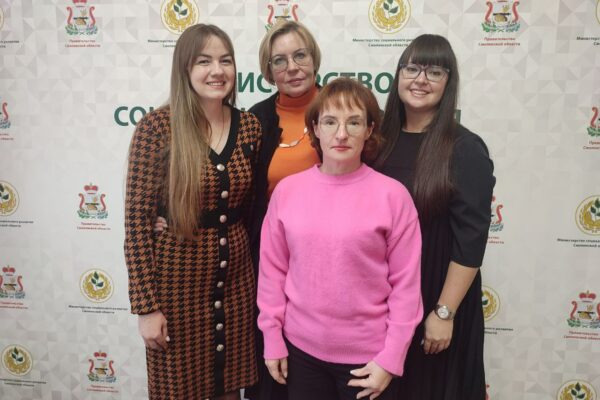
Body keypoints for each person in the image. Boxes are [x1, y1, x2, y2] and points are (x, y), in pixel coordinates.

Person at [257, 78, 423, 400]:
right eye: (330, 121)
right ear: (315, 128)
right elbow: (272, 272)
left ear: (370, 129)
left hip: (369, 361)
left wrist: (391, 358)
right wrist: (272, 337)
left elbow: (406, 286)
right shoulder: (288, 192)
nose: (342, 133)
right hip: (300, 354)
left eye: (354, 122)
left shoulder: (394, 197)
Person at [124, 24, 261, 400]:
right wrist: (146, 308)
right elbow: (136, 224)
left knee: (229, 389)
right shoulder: (157, 128)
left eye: (225, 61)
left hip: (237, 288)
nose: (217, 71)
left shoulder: (249, 127)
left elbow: (251, 207)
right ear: (184, 68)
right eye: (204, 61)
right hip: (176, 291)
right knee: (178, 390)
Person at [377, 34, 495, 400]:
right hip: (385, 299)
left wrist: (444, 313)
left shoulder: (464, 148)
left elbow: (471, 240)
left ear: (448, 82)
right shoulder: (377, 141)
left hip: (436, 294)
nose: (421, 79)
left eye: (435, 72)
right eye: (412, 68)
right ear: (398, 75)